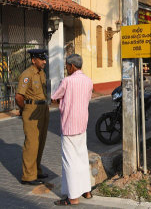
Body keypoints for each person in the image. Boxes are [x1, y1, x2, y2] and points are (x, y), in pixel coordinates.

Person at [51, 54, 93, 206]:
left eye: (67, 66)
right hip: (82, 125)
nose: (66, 69)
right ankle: (87, 191)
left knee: (70, 161)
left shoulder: (67, 81)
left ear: (72, 66)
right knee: (82, 158)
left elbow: (55, 97)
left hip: (69, 125)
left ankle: (73, 197)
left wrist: (61, 101)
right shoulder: (88, 81)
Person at [15, 49, 50, 185]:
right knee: (32, 143)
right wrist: (25, 109)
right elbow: (19, 97)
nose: (44, 62)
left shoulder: (42, 73)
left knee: (41, 141)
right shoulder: (27, 74)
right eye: (42, 59)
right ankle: (28, 176)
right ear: (33, 60)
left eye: (45, 59)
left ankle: (37, 170)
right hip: (31, 110)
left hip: (43, 108)